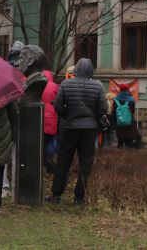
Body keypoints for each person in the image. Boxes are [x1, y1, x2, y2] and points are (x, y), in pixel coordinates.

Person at [47, 58, 107, 205]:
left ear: (76, 70)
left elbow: (58, 106)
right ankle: (79, 197)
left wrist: (68, 116)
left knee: (63, 161)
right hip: (89, 129)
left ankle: (56, 195)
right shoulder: (98, 86)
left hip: (69, 128)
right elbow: (103, 108)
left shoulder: (66, 84)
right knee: (86, 163)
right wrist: (93, 116)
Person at [40, 70, 59, 174]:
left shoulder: (35, 85)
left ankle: (40, 164)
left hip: (38, 117)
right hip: (51, 118)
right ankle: (48, 163)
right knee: (50, 142)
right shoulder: (54, 86)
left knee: (39, 143)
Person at [112, 83, 139, 148]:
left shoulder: (115, 100)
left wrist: (114, 123)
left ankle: (119, 157)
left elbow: (114, 112)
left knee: (120, 142)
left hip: (119, 123)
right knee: (128, 143)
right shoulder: (131, 99)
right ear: (127, 90)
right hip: (129, 123)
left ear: (120, 90)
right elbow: (133, 111)